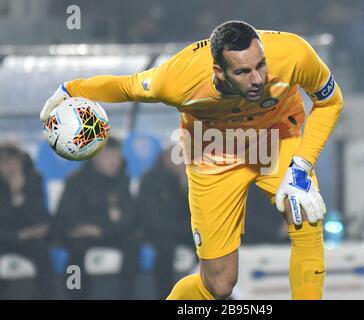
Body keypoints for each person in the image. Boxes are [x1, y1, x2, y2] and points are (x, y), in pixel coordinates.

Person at [41, 20, 344, 300]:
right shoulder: (177, 80)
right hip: (211, 154)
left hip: (277, 139)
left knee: (305, 214)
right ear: (219, 72)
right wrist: (71, 89)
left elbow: (330, 101)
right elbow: (126, 86)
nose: (257, 79)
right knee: (219, 284)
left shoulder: (294, 53)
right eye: (242, 72)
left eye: (260, 66)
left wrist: (302, 166)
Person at [53, 136, 137, 299]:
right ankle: (76, 294)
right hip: (81, 234)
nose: (114, 162)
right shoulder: (76, 181)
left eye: (117, 157)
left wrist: (101, 230)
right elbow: (64, 216)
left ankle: (128, 295)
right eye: (108, 157)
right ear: (95, 158)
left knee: (133, 245)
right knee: (75, 254)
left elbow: (130, 217)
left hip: (109, 232)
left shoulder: (122, 180)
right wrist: (86, 228)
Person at [134, 147, 194, 299]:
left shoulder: (187, 179)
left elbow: (195, 214)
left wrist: (186, 188)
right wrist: (185, 229)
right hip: (157, 233)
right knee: (165, 248)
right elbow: (152, 219)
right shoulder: (150, 180)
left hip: (181, 231)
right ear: (167, 156)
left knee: (208, 243)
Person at [0, 143, 54, 299]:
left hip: (30, 238)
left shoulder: (34, 181)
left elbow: (41, 216)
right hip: (5, 238)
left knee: (41, 251)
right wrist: (17, 235)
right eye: (5, 162)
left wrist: (21, 197)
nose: (11, 167)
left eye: (14, 162)